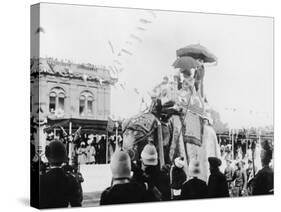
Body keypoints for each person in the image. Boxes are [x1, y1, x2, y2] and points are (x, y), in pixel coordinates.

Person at [39, 140, 82, 209]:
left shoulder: (40, 179)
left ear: (47, 156)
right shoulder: (71, 179)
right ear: (64, 156)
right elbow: (76, 204)